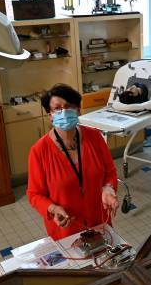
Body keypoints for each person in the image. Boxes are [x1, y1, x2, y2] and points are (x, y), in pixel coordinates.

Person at [27, 84, 119, 240]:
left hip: (99, 221)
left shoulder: (95, 137)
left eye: (69, 106)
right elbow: (34, 194)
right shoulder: (39, 151)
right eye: (57, 108)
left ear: (78, 110)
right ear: (50, 115)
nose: (63, 111)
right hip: (66, 228)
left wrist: (109, 188)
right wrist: (53, 209)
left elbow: (110, 172)